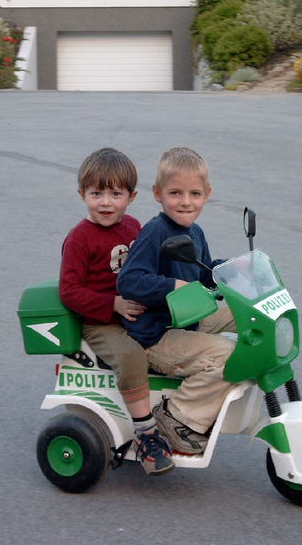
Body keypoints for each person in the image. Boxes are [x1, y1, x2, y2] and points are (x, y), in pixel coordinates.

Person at [59, 148, 174, 475]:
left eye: (115, 194)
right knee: (131, 357)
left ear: (132, 196)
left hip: (135, 312)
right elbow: (69, 290)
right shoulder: (79, 238)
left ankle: (179, 415)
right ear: (83, 194)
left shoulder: (135, 227)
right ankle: (146, 435)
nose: (106, 202)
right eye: (97, 193)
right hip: (101, 322)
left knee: (180, 335)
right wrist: (113, 304)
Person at [117, 147, 236, 455]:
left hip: (188, 315)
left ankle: (220, 397)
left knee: (248, 316)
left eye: (195, 193)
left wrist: (232, 272)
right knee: (231, 356)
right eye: (175, 192)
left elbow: (204, 272)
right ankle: (176, 416)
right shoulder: (154, 232)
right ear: (157, 193)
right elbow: (129, 280)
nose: (186, 201)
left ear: (207, 194)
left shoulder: (195, 231)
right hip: (156, 332)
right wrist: (172, 285)